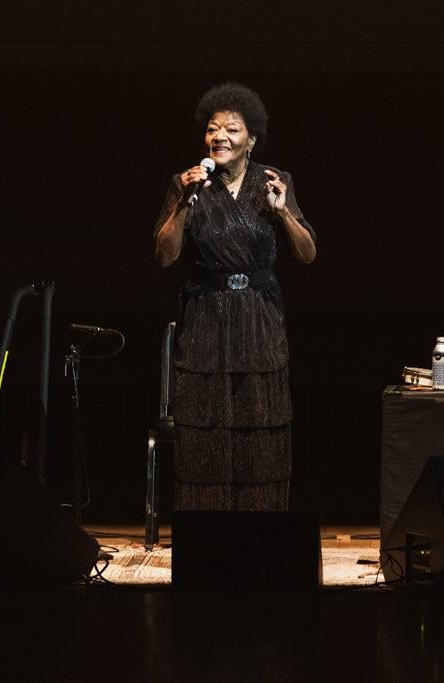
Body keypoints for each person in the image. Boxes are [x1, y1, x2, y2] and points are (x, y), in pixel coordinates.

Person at [153, 82, 317, 511]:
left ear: (252, 140)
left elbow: (307, 253)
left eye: (232, 129)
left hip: (259, 319)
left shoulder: (274, 181)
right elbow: (165, 255)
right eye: (212, 128)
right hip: (206, 320)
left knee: (259, 428)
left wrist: (282, 211)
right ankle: (204, 534)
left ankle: (261, 532)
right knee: (204, 430)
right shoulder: (186, 183)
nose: (219, 136)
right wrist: (185, 202)